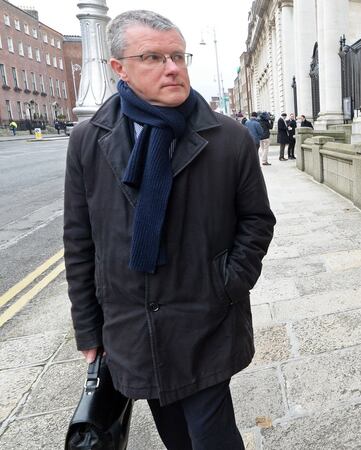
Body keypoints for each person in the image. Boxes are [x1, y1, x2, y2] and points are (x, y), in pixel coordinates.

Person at [63, 10, 276, 450]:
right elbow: (80, 239)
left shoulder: (228, 138)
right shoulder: (88, 139)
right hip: (131, 325)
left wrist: (227, 282)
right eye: (153, 57)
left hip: (206, 319)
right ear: (119, 67)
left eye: (178, 56)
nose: (173, 67)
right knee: (175, 435)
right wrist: (88, 327)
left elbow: (257, 221)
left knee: (213, 436)